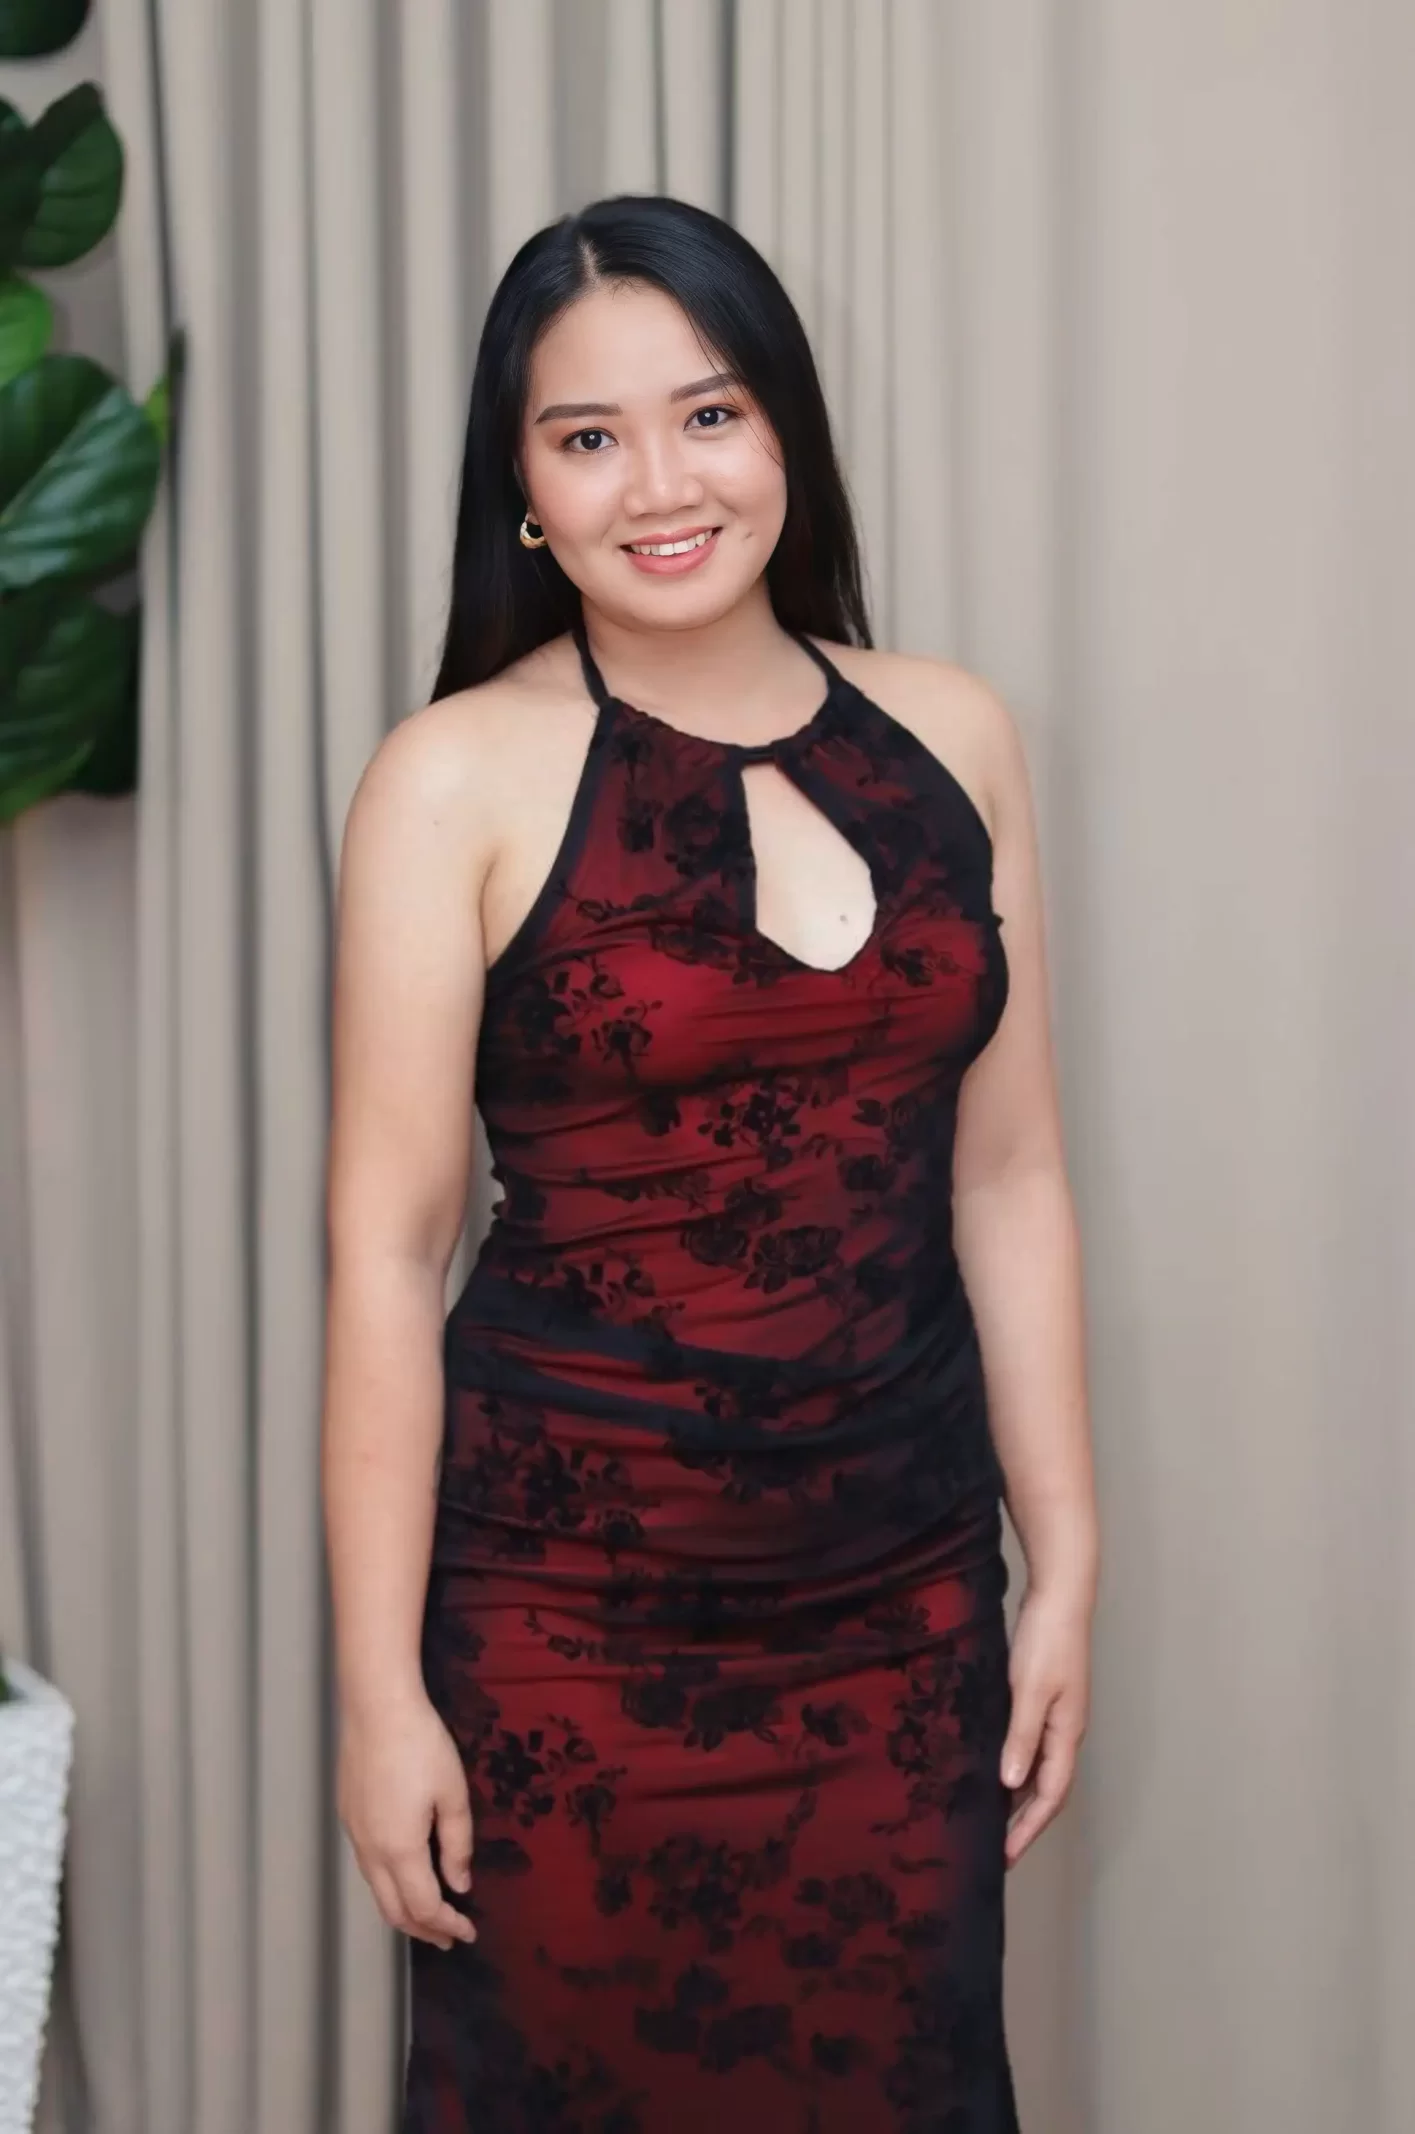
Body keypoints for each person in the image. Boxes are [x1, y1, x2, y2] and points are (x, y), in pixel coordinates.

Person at [322, 192, 1098, 2134]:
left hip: (901, 1610)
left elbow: (1004, 1176)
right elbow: (385, 1254)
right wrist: (378, 1694)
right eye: (586, 437)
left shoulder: (954, 737)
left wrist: (1067, 1550)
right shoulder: (446, 780)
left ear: (783, 432)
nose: (658, 485)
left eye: (708, 414)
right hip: (563, 1641)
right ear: (523, 492)